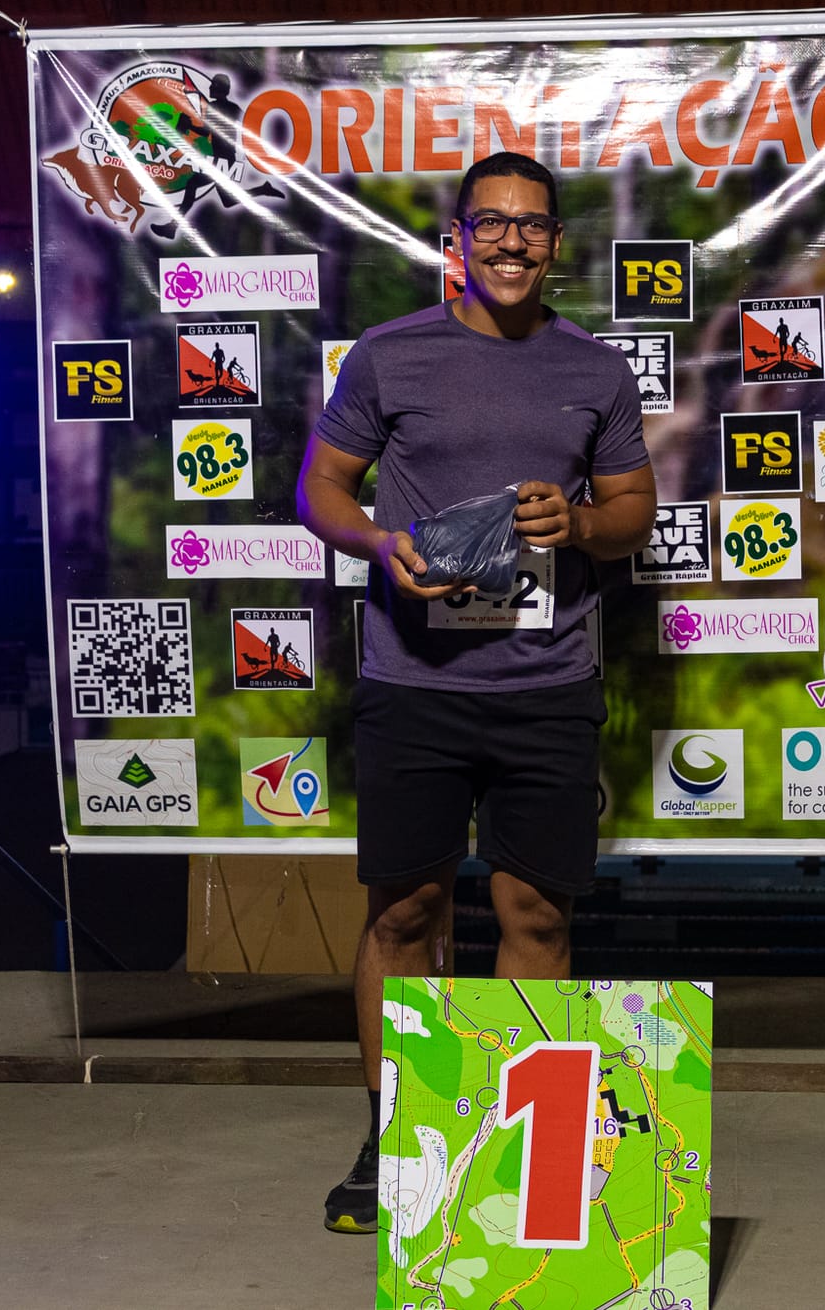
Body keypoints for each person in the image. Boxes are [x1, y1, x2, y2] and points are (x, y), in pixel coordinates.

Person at [296, 150, 656, 1235]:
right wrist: (378, 542)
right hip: (416, 680)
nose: (510, 241)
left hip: (548, 682)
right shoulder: (389, 355)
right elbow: (321, 487)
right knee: (404, 909)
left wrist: (578, 522)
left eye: (531, 225)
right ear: (456, 239)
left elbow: (632, 511)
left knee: (534, 910)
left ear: (555, 244)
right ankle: (393, 1135)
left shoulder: (596, 370)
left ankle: (523, 1144)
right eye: (489, 223)